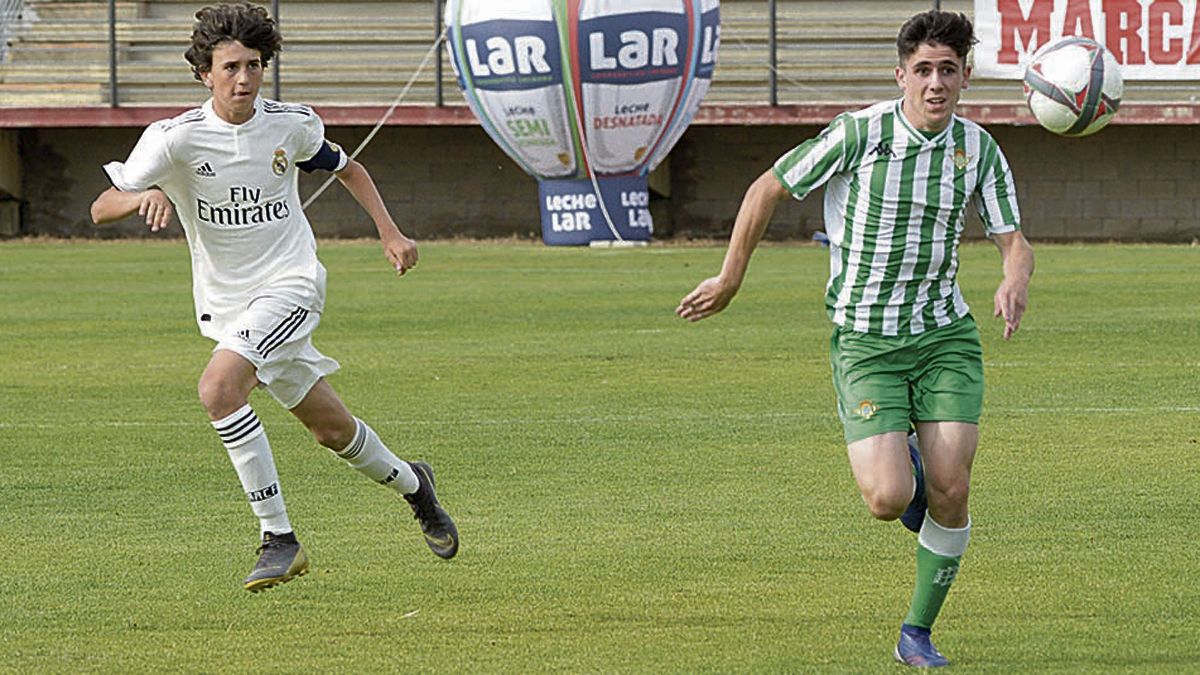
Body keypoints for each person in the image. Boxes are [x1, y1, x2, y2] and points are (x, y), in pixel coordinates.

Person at [676, 10, 1033, 669]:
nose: (935, 83)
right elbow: (768, 187)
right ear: (901, 75)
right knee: (887, 499)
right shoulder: (859, 134)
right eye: (922, 70)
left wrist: (1014, 280)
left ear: (965, 78)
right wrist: (730, 278)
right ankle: (908, 459)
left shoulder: (978, 148)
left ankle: (916, 633)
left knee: (953, 487)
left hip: (942, 337)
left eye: (947, 71)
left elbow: (1014, 240)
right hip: (866, 339)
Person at [90, 2, 459, 592]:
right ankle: (418, 487)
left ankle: (278, 538)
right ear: (204, 73)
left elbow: (349, 169)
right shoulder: (172, 140)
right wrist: (144, 195)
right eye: (231, 67)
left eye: (254, 65)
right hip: (227, 305)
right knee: (331, 431)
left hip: (292, 285)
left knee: (218, 388)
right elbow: (101, 207)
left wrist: (390, 231)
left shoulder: (289, 124)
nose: (244, 79)